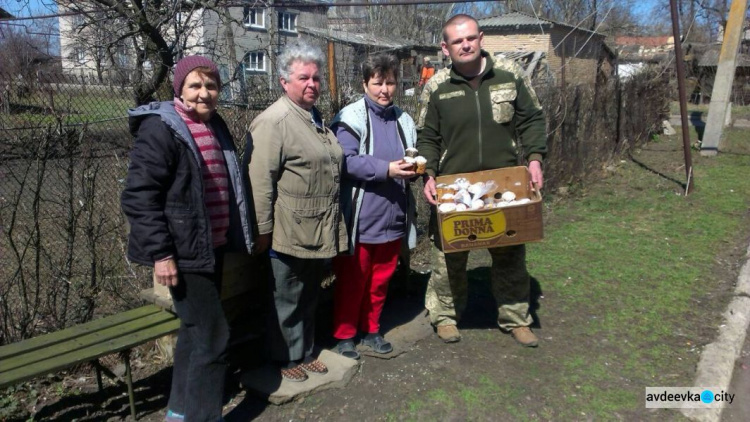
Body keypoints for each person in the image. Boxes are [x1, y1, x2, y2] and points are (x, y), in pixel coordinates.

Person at [121, 55, 254, 421]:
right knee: (214, 338)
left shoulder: (216, 125)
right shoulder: (162, 129)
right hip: (182, 253)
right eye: (195, 85)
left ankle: (180, 413)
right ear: (179, 88)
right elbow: (139, 196)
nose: (204, 93)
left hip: (211, 247)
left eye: (211, 86)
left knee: (195, 336)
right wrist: (161, 254)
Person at [417, 14, 547, 347]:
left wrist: (534, 159)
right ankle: (446, 316)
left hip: (503, 182)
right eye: (457, 41)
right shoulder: (436, 87)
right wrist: (428, 174)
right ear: (446, 48)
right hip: (453, 186)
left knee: (509, 253)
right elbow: (427, 136)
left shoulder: (510, 75)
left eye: (470, 38)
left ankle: (516, 318)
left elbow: (531, 119)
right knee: (447, 257)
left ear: (481, 38)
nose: (466, 45)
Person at [248, 41, 347, 382]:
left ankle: (304, 352)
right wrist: (262, 230)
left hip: (319, 226)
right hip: (288, 229)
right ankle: (284, 358)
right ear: (283, 81)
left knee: (308, 295)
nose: (312, 84)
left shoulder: (314, 118)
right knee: (286, 297)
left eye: (317, 78)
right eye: (304, 77)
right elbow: (260, 181)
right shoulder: (274, 122)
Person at [329, 54, 418, 360]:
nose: (384, 90)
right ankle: (344, 335)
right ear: (365, 83)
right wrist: (388, 170)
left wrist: (416, 169)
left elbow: (412, 154)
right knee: (353, 280)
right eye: (378, 82)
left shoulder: (403, 119)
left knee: (381, 280)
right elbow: (346, 161)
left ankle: (372, 329)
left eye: (390, 82)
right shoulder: (350, 117)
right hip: (361, 218)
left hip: (393, 214)